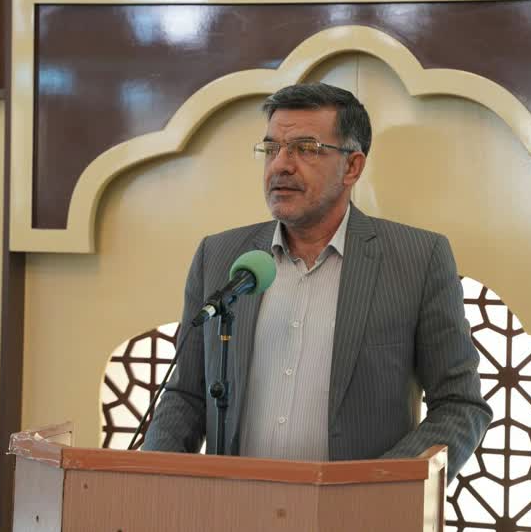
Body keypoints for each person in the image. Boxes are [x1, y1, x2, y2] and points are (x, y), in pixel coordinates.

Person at [142, 83, 491, 482]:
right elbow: (187, 394)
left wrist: (384, 488)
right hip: (236, 505)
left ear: (352, 167)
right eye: (271, 148)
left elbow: (459, 405)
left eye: (305, 148)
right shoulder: (220, 256)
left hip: (358, 509)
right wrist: (151, 482)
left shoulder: (417, 259)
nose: (281, 165)